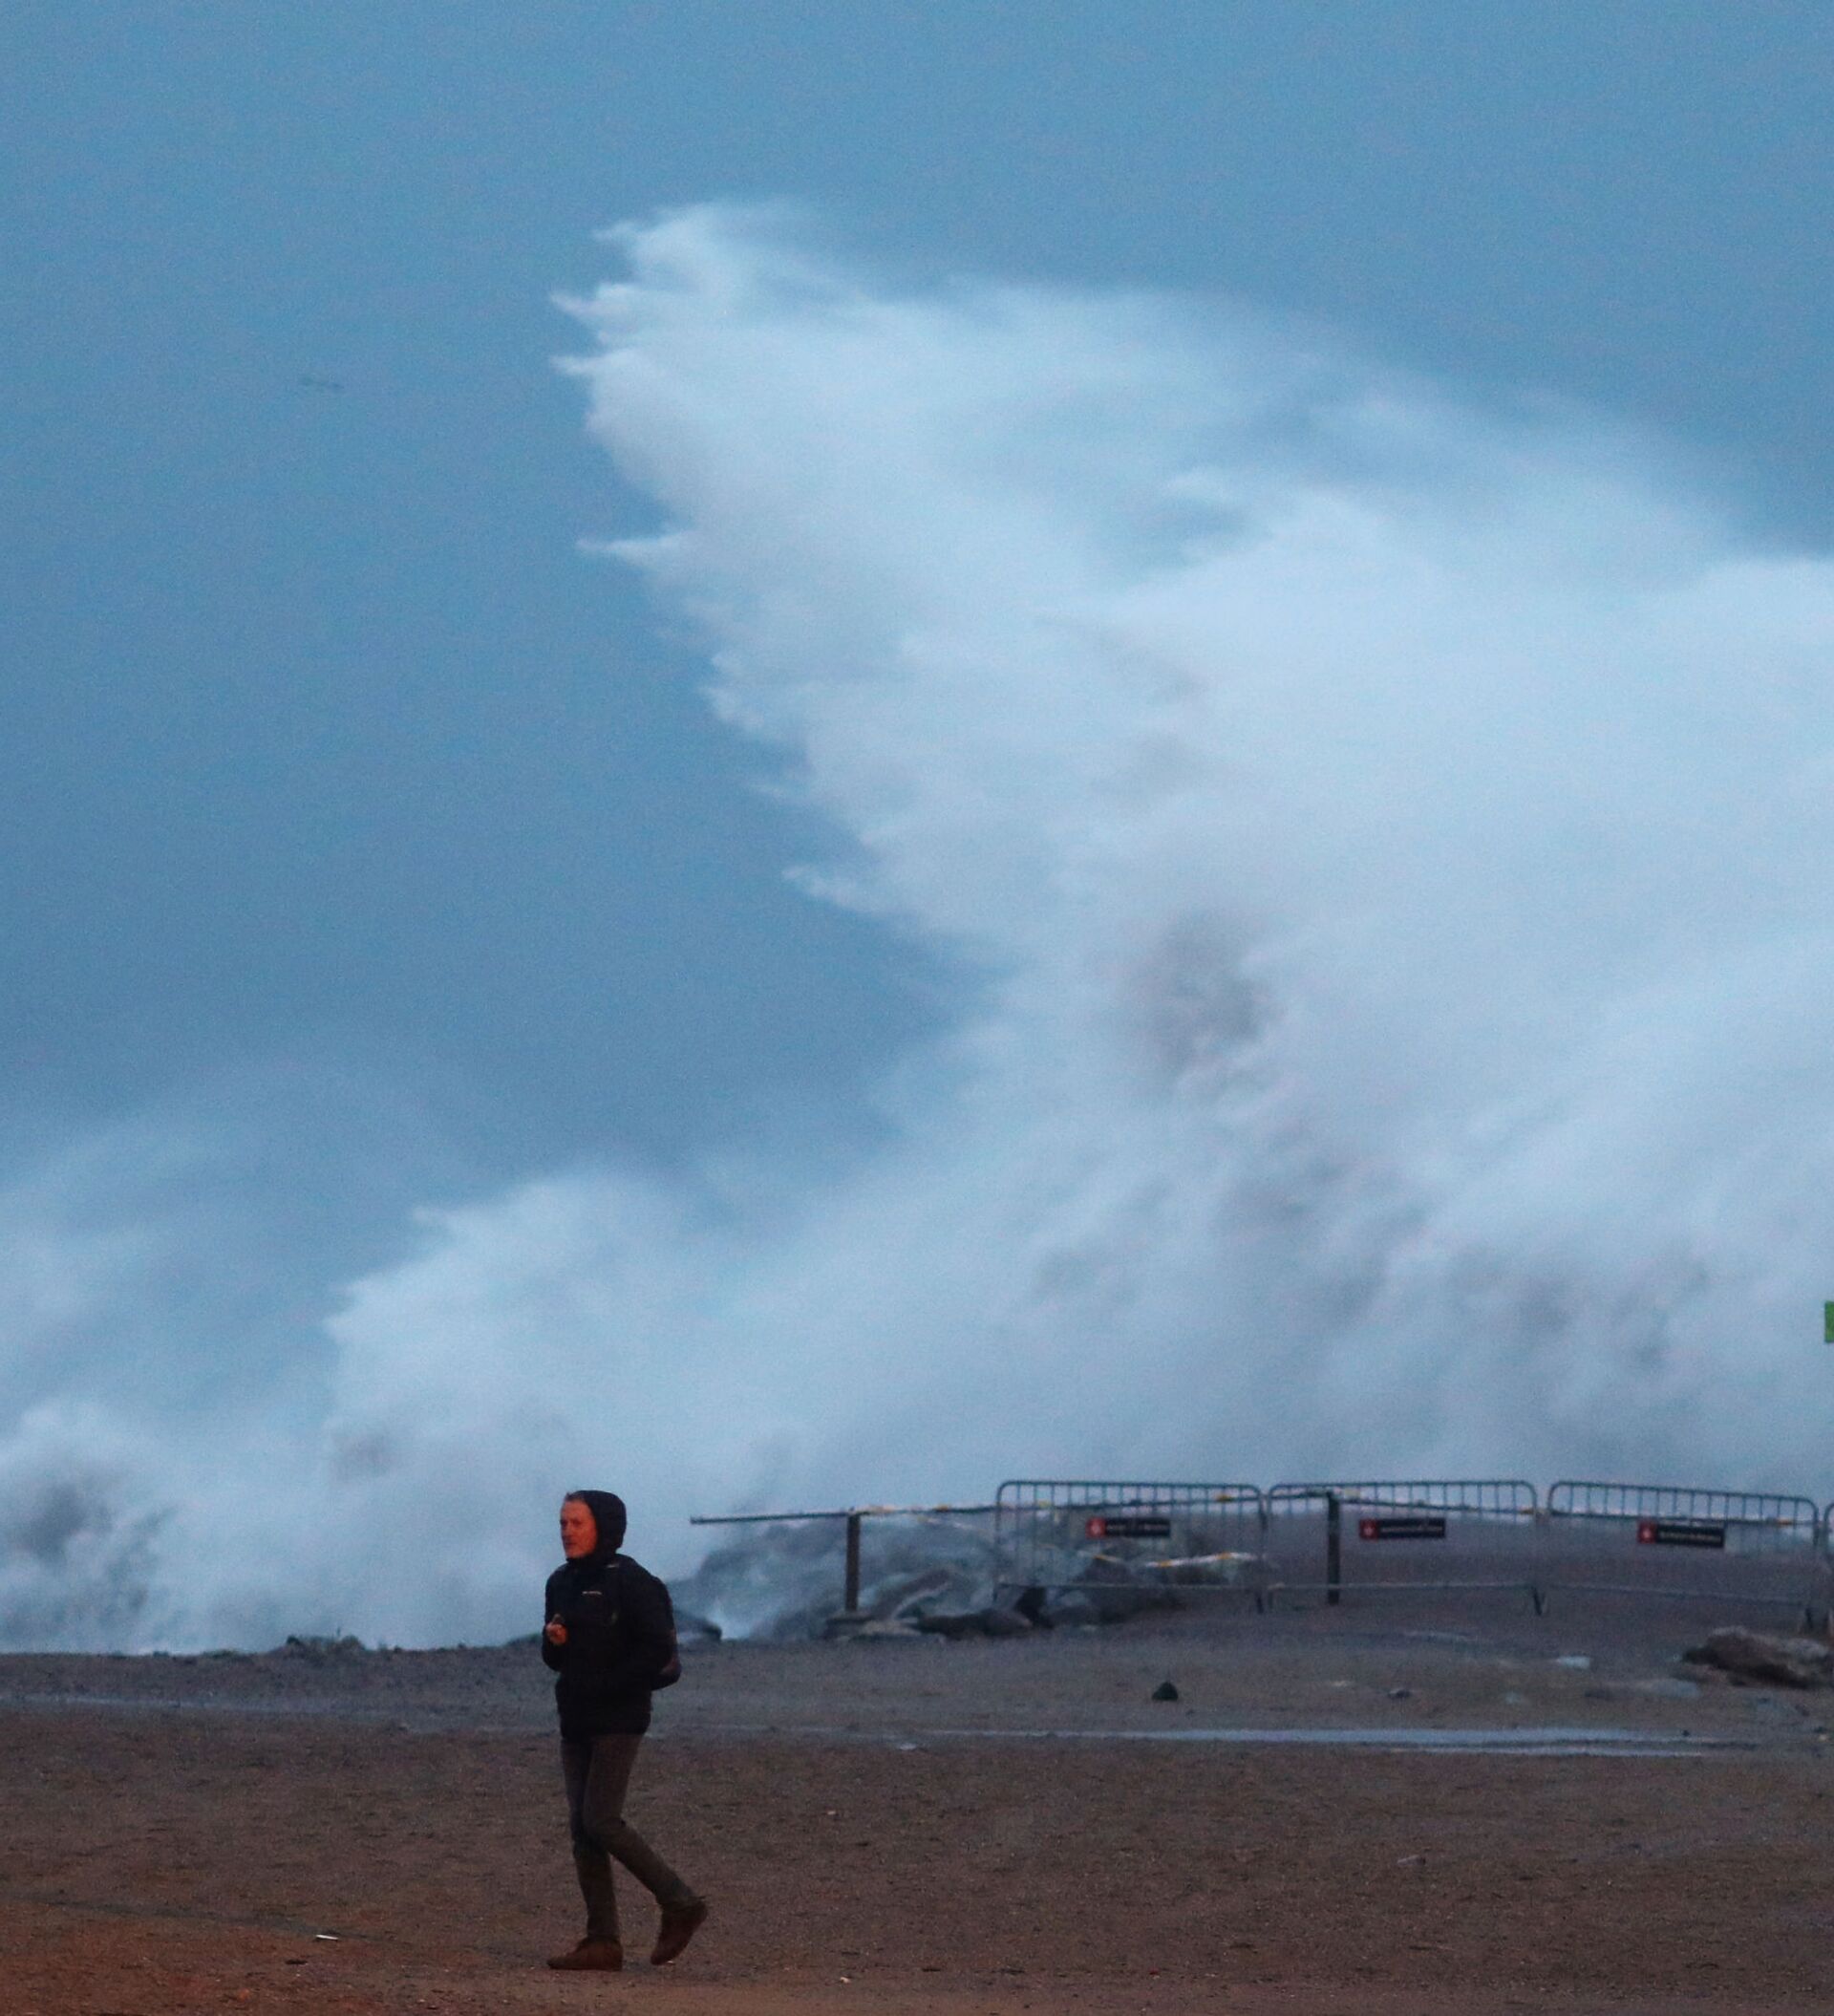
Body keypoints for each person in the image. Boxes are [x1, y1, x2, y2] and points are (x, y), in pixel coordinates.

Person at [542, 1489, 709, 1971]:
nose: (567, 1532)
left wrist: (608, 1686)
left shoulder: (633, 1581)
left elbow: (657, 1651)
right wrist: (555, 1642)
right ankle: (602, 1942)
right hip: (576, 1718)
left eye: (577, 1523)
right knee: (583, 1829)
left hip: (619, 1718)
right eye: (563, 1523)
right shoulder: (560, 1582)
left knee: (601, 1819)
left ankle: (680, 1902)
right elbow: (553, 1659)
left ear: (604, 1527)